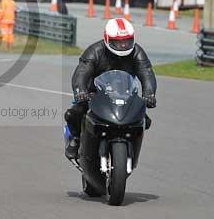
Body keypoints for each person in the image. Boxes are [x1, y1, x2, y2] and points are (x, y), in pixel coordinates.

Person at [64, 17, 156, 159]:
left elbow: (146, 72)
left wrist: (149, 93)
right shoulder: (95, 51)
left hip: (125, 94)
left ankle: (131, 150)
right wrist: (80, 91)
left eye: (127, 41)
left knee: (144, 120)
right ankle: (75, 138)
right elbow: (81, 72)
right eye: (118, 42)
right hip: (94, 94)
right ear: (107, 39)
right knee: (73, 114)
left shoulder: (137, 52)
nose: (123, 45)